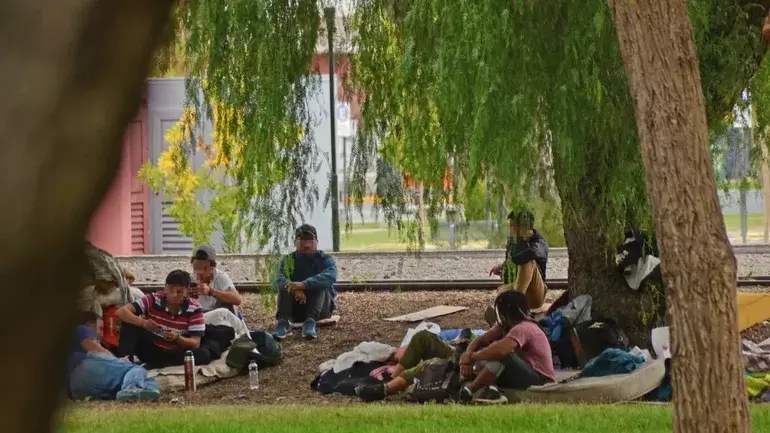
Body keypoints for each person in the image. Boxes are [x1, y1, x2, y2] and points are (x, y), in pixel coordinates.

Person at [355, 291, 554, 403]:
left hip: (536, 378)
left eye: (501, 312)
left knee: (497, 355)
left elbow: (502, 351)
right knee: (447, 358)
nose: (499, 317)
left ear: (509, 312)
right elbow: (482, 339)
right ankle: (390, 384)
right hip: (508, 369)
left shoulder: (525, 328)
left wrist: (472, 357)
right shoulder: (507, 326)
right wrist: (468, 353)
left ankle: (389, 388)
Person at [116, 269, 210, 368]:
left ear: (187, 292)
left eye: (179, 291)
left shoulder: (195, 309)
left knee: (203, 354)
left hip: (175, 353)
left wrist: (177, 338)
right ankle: (125, 361)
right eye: (171, 289)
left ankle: (158, 364)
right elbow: (121, 312)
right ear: (165, 288)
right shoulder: (153, 299)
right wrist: (144, 323)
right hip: (151, 349)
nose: (174, 295)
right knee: (129, 322)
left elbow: (195, 343)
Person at [68, 311, 160, 401]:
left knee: (146, 380)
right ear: (89, 324)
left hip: (77, 388)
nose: (101, 334)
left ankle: (144, 391)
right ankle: (131, 389)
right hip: (83, 369)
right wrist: (119, 361)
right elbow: (94, 348)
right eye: (100, 328)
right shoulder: (81, 329)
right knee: (134, 369)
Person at [271, 224, 338, 340]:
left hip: (321, 308)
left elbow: (331, 275)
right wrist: (293, 287)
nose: (307, 244)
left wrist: (304, 285)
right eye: (302, 240)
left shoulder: (325, 259)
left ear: (316, 242)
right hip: (294, 308)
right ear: (295, 242)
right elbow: (276, 278)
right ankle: (283, 322)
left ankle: (310, 322)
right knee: (284, 285)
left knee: (320, 283)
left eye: (310, 240)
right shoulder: (287, 260)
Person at [487, 208, 549, 321]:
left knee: (527, 262)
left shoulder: (539, 243)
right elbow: (511, 260)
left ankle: (514, 305)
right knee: (500, 292)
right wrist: (503, 266)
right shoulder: (513, 241)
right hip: (516, 287)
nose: (511, 229)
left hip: (535, 294)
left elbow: (530, 254)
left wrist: (514, 257)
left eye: (514, 226)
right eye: (510, 226)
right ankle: (502, 320)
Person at [190, 244, 243, 314]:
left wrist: (210, 292)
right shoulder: (190, 279)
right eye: (196, 268)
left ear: (213, 267)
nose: (199, 272)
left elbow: (237, 299)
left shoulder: (220, 277)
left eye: (204, 268)